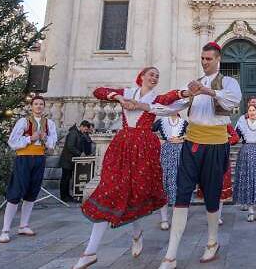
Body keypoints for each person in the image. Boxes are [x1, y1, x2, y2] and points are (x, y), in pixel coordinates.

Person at [72, 68, 184, 269]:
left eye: (157, 75)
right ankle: (89, 252)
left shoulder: (156, 98)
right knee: (110, 190)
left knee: (136, 193)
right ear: (141, 77)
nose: (154, 77)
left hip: (144, 147)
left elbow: (172, 96)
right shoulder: (127, 92)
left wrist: (185, 92)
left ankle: (136, 232)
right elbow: (99, 91)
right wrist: (117, 98)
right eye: (151, 74)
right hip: (123, 144)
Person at [151, 42, 243, 269]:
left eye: (209, 59)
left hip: (215, 144)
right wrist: (144, 107)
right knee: (182, 194)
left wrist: (208, 91)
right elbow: (173, 107)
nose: (204, 62)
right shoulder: (195, 84)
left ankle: (212, 241)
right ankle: (171, 255)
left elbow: (233, 100)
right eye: (202, 58)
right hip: (191, 142)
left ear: (218, 59)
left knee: (212, 196)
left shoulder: (228, 82)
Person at [0, 96, 58, 243]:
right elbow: (12, 142)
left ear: (44, 106)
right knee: (16, 191)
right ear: (31, 106)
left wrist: (44, 138)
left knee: (32, 191)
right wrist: (29, 139)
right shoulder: (23, 121)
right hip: (24, 158)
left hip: (39, 158)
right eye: (36, 104)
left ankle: (23, 225)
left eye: (41, 104)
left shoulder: (49, 123)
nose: (38, 106)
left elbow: (52, 143)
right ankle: (5, 229)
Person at [152, 113, 189, 231]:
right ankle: (164, 219)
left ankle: (176, 218)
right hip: (166, 152)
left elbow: (192, 134)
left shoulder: (183, 122)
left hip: (180, 152)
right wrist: (160, 140)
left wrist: (181, 139)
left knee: (178, 183)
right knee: (164, 182)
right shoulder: (162, 121)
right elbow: (148, 130)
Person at [59, 120, 93, 203]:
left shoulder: (80, 133)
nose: (85, 131)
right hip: (67, 159)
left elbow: (88, 142)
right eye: (85, 129)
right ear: (81, 126)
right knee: (65, 178)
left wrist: (89, 133)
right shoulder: (73, 133)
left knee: (69, 178)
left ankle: (67, 195)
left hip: (72, 160)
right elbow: (70, 146)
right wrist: (80, 153)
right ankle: (64, 196)